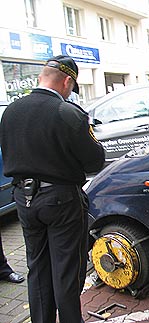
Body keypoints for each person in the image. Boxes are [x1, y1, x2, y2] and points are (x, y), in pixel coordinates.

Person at [0, 55, 105, 323]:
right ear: (67, 81)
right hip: (61, 201)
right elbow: (95, 160)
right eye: (72, 87)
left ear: (41, 77)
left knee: (37, 268)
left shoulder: (11, 111)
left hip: (23, 200)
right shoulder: (67, 113)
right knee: (66, 270)